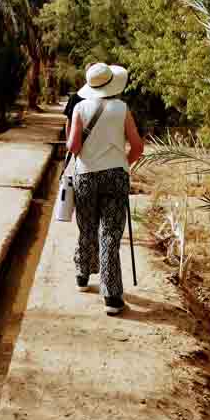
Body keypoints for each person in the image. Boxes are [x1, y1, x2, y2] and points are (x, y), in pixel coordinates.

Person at [66, 63, 144, 315]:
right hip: (115, 176)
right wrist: (122, 164)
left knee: (86, 225)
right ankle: (111, 296)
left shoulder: (79, 107)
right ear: (113, 84)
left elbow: (73, 147)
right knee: (110, 233)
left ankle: (82, 273)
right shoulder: (122, 109)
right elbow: (137, 146)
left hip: (86, 176)